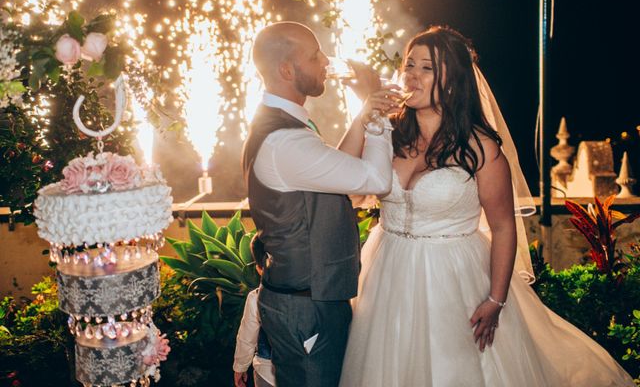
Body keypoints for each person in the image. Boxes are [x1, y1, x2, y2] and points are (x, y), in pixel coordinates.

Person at [337, 25, 635, 386]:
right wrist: (363, 116)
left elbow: (504, 226)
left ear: (451, 81)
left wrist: (496, 300)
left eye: (426, 68)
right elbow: (342, 179)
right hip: (387, 269)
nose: (411, 75)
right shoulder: (385, 130)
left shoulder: (480, 148)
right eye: (409, 65)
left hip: (454, 276)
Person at [241, 21, 399, 387]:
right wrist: (377, 119)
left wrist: (364, 111)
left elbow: (335, 174)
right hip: (306, 307)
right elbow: (375, 180)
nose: (325, 60)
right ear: (287, 70)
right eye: (314, 56)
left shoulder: (284, 127)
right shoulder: (284, 141)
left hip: (309, 298)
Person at [233, 236, 276, 387]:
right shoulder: (309, 293)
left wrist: (240, 368)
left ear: (259, 269)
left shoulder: (256, 298)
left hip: (267, 373)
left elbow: (246, 338)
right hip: (306, 371)